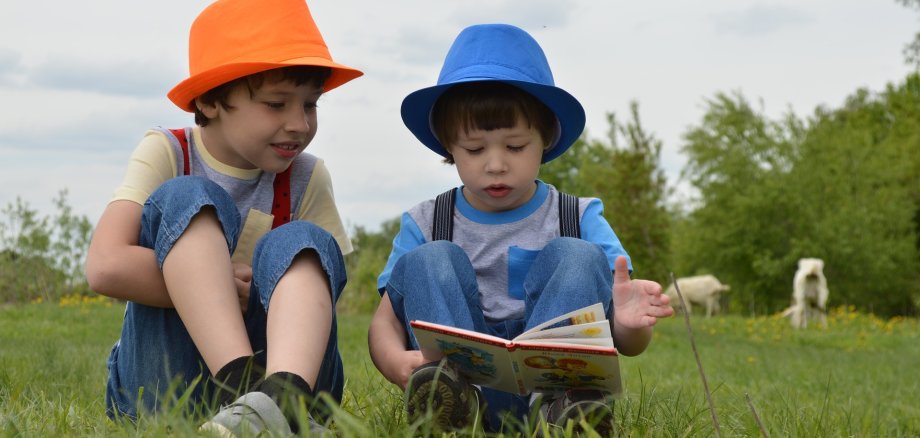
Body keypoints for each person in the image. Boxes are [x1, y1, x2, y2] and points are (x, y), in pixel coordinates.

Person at [367, 23, 674, 434]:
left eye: (515, 147)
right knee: (430, 259)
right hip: (461, 380)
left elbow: (627, 343)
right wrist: (394, 362)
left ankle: (564, 412)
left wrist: (628, 327)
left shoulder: (578, 217)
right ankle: (451, 406)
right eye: (475, 149)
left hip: (554, 383)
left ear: (545, 138)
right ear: (448, 145)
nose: (495, 164)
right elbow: (384, 322)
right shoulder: (426, 222)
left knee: (578, 255)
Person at [84, 0, 362, 435]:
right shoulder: (169, 151)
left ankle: (282, 402)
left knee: (304, 241)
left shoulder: (307, 175)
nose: (299, 124)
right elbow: (105, 266)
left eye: (310, 105)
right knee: (187, 197)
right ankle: (247, 391)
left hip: (288, 372)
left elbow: (321, 291)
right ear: (212, 99)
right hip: (167, 383)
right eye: (276, 103)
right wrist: (213, 282)